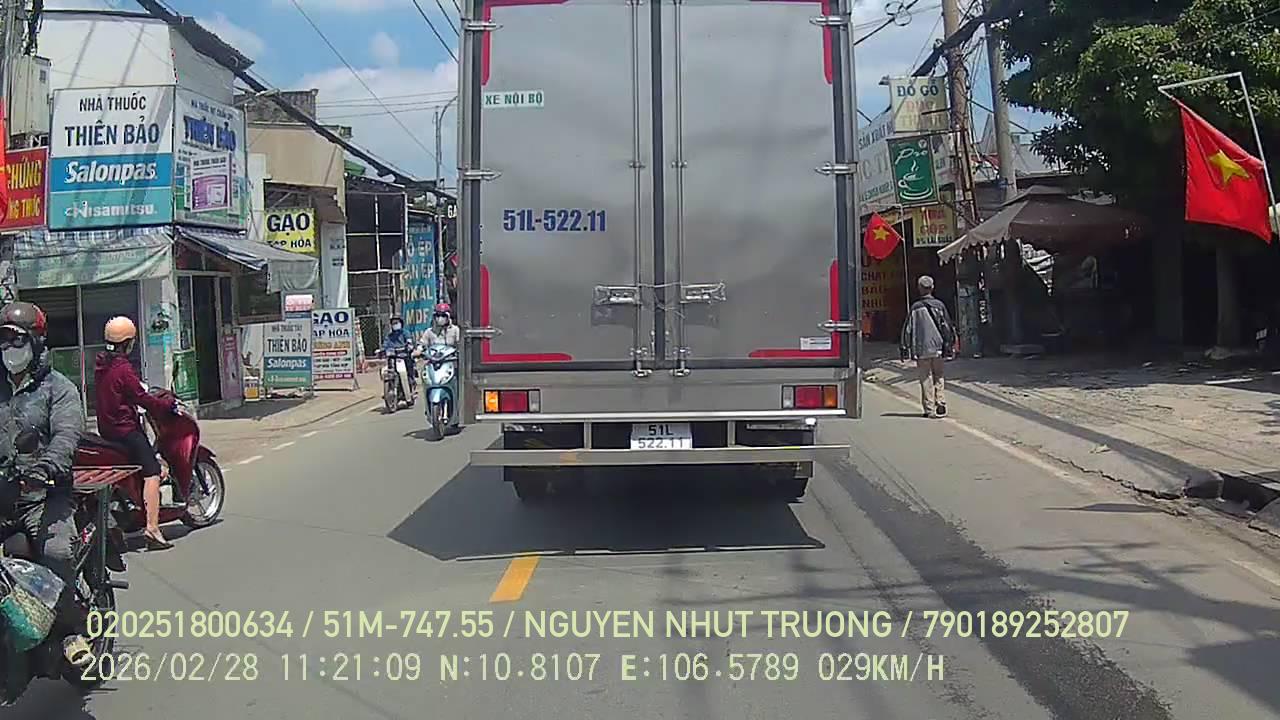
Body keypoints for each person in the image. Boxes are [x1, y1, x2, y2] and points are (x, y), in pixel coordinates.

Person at [0, 301, 94, 666]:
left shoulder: (59, 388)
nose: (8, 349)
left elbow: (67, 434)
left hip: (43, 495)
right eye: (3, 340)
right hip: (3, 495)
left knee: (56, 552)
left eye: (16, 340)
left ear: (37, 341)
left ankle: (71, 631)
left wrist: (46, 466)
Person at [95, 316, 178, 551]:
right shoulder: (123, 368)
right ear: (128, 343)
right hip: (126, 430)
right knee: (152, 471)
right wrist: (165, 405)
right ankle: (152, 529)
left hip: (106, 429)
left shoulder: (101, 364)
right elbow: (141, 398)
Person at [900, 275, 956, 419]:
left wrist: (905, 348)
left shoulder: (915, 308)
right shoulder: (940, 305)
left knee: (926, 378)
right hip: (938, 347)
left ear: (919, 288)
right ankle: (940, 400)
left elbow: (908, 329)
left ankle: (929, 409)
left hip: (922, 349)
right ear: (932, 288)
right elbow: (947, 326)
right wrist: (950, 344)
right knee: (939, 375)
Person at [382, 316, 417, 394]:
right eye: (393, 323)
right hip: (393, 357)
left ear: (401, 323)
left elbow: (409, 341)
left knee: (409, 366)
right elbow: (385, 344)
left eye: (396, 323)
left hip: (405, 356)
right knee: (389, 370)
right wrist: (382, 350)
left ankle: (411, 382)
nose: (395, 324)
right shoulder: (389, 336)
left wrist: (409, 346)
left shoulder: (405, 333)